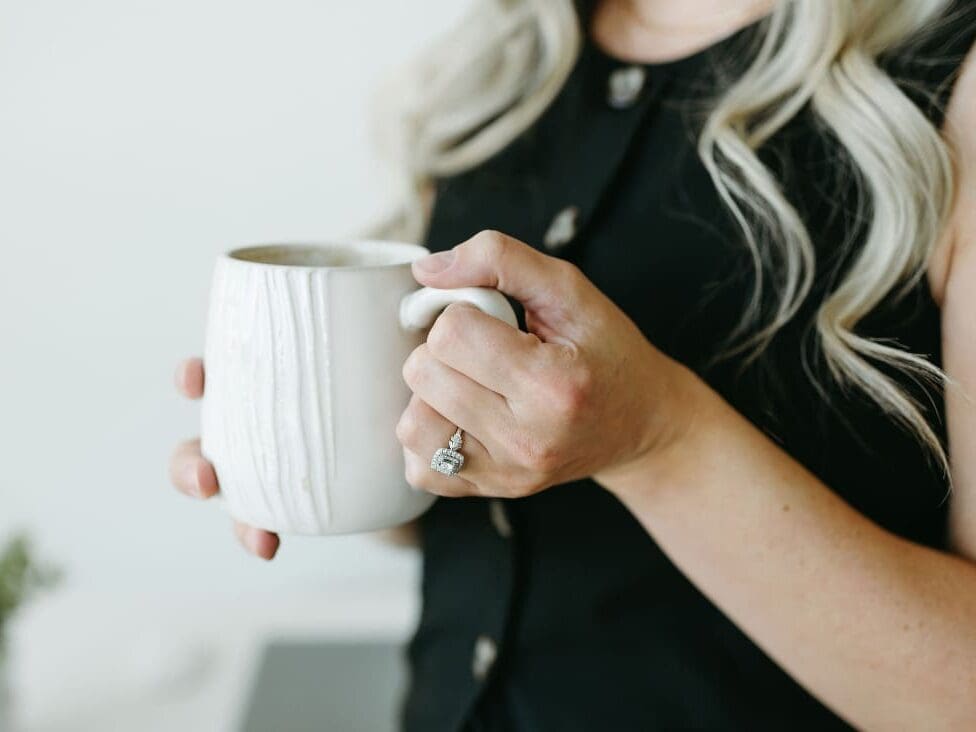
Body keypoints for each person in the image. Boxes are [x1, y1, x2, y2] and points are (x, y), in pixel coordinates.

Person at [170, 0, 976, 729]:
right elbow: (480, 495)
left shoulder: (951, 76)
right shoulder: (499, 64)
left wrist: (658, 438)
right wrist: (325, 441)